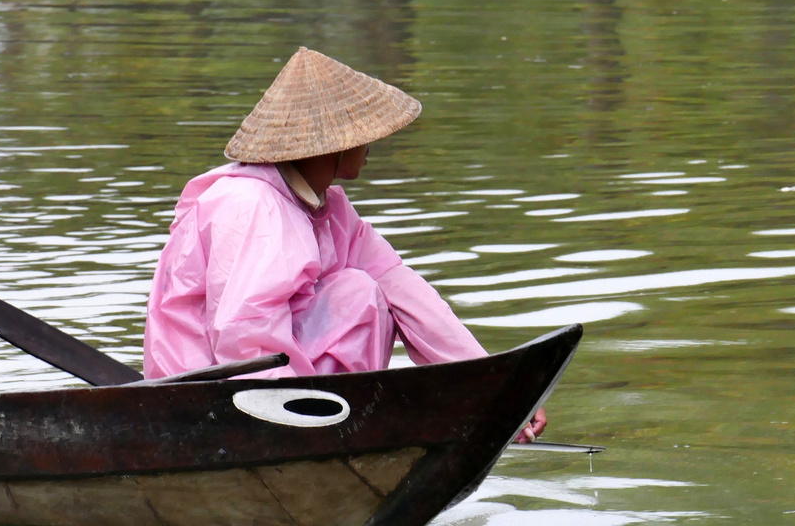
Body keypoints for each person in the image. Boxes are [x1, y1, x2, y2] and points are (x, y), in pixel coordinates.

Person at [143, 46, 547, 440]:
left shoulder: (328, 208)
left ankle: (337, 424)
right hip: (205, 401)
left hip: (266, 390)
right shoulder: (253, 206)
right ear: (334, 144)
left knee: (366, 292)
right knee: (358, 295)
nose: (371, 147)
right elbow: (246, 337)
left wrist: (501, 391)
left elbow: (402, 288)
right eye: (364, 136)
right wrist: (282, 431)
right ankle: (326, 431)